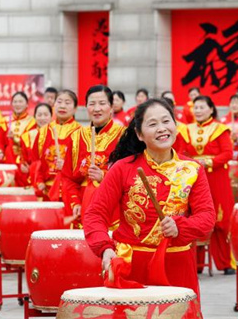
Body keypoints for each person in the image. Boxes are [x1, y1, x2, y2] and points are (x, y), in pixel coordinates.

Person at [83, 98, 215, 297]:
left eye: (166, 121)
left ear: (175, 126)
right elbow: (95, 214)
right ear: (139, 134)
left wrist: (180, 227)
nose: (162, 128)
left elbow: (206, 217)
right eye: (152, 124)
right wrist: (105, 248)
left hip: (177, 265)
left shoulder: (193, 169)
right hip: (131, 267)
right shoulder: (122, 168)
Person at [174, 96, 236, 275]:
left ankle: (226, 263)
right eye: (196, 107)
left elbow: (227, 153)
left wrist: (208, 162)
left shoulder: (220, 129)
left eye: (202, 107)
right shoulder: (186, 130)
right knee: (195, 216)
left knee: (222, 219)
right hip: (193, 177)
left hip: (217, 177)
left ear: (211, 109)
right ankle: (197, 264)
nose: (198, 110)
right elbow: (179, 152)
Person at [60, 85, 125, 226]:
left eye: (102, 103)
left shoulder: (123, 136)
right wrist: (75, 202)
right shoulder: (76, 137)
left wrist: (104, 177)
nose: (96, 109)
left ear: (111, 107)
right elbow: (67, 177)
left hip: (114, 209)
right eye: (92, 104)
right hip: (84, 206)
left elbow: (130, 177)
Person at [34, 90, 81, 200]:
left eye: (67, 103)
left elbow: (82, 166)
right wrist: (39, 181)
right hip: (47, 190)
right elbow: (36, 161)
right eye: (59, 102)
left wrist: (66, 167)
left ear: (75, 108)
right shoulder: (43, 131)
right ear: (54, 105)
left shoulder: (80, 132)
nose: (62, 106)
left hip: (70, 191)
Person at [0, 92, 37, 184]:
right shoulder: (5, 121)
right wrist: (0, 153)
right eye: (15, 102)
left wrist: (15, 140)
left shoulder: (32, 122)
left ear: (27, 104)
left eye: (20, 101)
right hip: (9, 158)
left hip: (24, 159)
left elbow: (31, 143)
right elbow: (0, 141)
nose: (17, 104)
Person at [19, 103, 52, 188]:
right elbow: (23, 158)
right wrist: (23, 165)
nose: (42, 118)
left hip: (52, 177)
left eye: (46, 115)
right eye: (39, 115)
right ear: (34, 117)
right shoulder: (27, 136)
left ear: (51, 117)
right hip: (33, 177)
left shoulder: (58, 135)